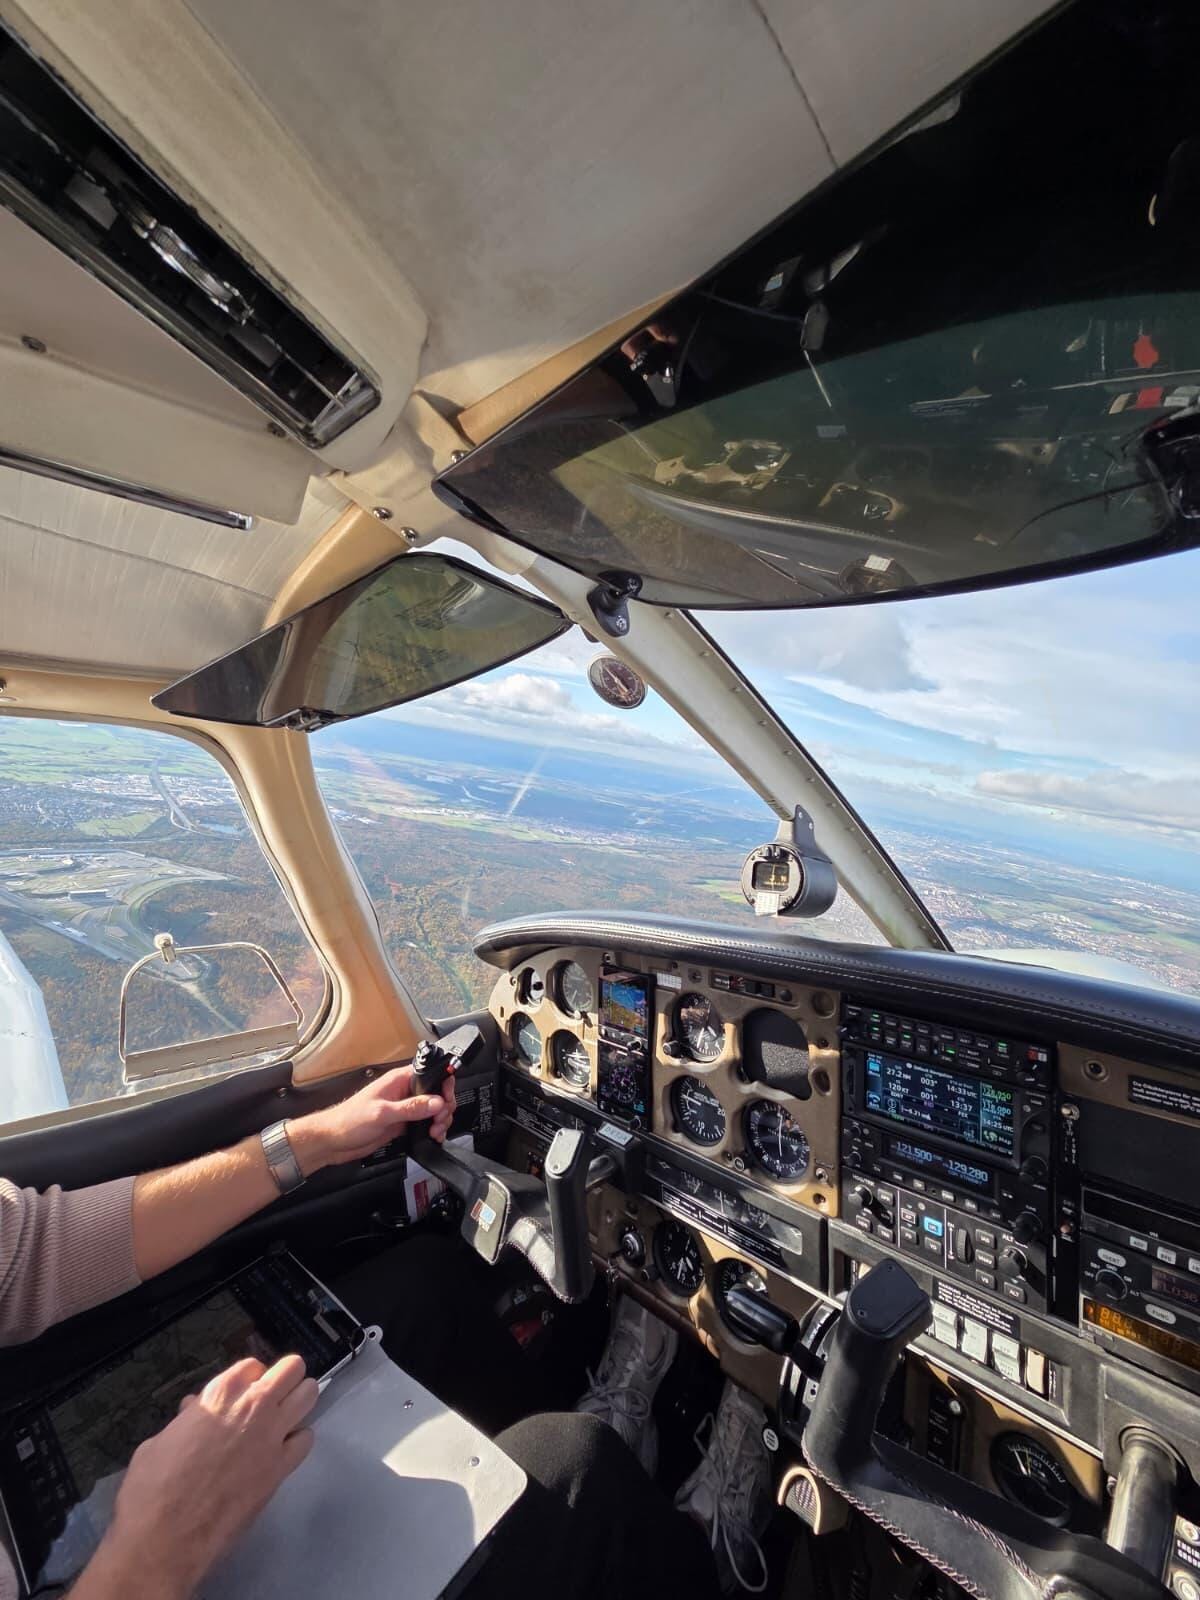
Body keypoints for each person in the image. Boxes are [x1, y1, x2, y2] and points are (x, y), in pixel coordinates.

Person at [0, 1067, 748, 1600]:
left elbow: (32, 1251)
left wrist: (312, 1141)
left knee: (421, 1288)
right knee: (585, 1473)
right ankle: (695, 1552)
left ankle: (517, 1467)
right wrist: (148, 1558)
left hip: (41, 1517)